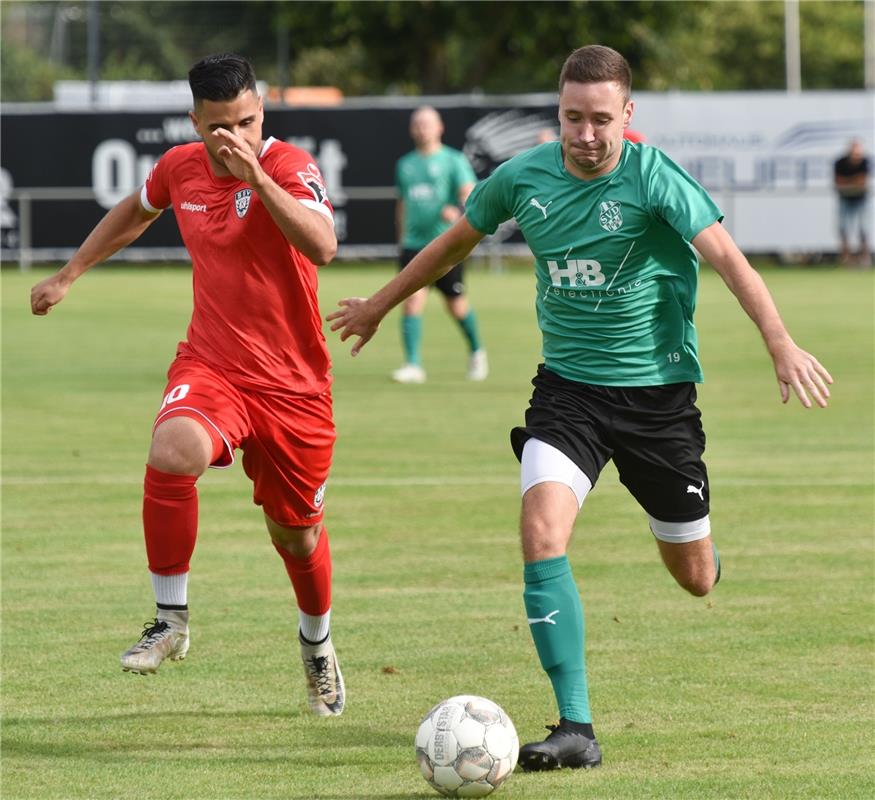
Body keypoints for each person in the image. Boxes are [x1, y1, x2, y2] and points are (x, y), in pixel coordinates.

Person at [327, 45, 833, 768]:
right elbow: (451, 244)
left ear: (627, 116)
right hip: (567, 394)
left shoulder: (653, 176)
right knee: (540, 531)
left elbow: (728, 260)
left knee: (692, 578)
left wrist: (779, 342)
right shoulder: (521, 178)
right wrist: (379, 304)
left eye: (601, 119)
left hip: (658, 404)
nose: (586, 134)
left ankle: (704, 552)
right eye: (572, 118)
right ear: (557, 113)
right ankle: (576, 728)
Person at [30, 53, 346, 717]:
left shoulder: (287, 165)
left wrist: (256, 174)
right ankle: (170, 620)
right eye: (222, 126)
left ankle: (316, 644)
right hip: (214, 364)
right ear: (196, 122)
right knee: (173, 449)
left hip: (293, 387)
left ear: (261, 111)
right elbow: (134, 212)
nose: (237, 135)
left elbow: (322, 245)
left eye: (249, 121)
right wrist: (69, 273)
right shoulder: (181, 167)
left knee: (296, 536)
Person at [392, 106, 487, 384]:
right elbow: (402, 204)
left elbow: (470, 194)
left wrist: (456, 209)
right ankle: (412, 364)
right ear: (411, 129)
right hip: (413, 244)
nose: (422, 129)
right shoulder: (405, 164)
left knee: (456, 306)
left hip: (446, 246)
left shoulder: (453, 160)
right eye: (417, 124)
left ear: (439, 127)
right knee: (411, 302)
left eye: (427, 124)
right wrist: (401, 238)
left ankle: (477, 351)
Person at [833, 139, 871, 266]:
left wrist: (848, 182)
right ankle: (846, 259)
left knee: (863, 228)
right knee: (843, 229)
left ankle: (865, 259)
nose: (857, 157)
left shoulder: (865, 162)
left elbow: (862, 181)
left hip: (861, 199)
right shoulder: (840, 162)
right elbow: (838, 182)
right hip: (845, 199)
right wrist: (853, 181)